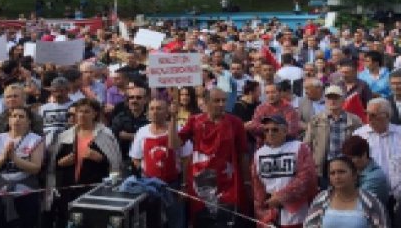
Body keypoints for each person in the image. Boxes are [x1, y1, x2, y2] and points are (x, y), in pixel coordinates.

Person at [169, 87, 249, 225]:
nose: (221, 104)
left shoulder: (235, 122)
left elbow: (243, 154)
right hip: (201, 182)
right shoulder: (195, 120)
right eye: (216, 101)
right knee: (203, 221)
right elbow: (174, 145)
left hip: (228, 182)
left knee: (226, 221)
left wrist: (247, 182)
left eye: (224, 100)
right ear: (206, 102)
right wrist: (173, 118)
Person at [50, 98, 122, 228]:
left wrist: (100, 159)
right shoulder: (65, 136)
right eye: (79, 112)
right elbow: (53, 164)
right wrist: (61, 163)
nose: (82, 115)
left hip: (95, 191)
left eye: (87, 112)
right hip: (68, 190)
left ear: (95, 114)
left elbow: (115, 164)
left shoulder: (105, 135)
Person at [130, 98, 191, 228]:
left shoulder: (178, 129)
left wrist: (184, 185)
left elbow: (186, 159)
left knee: (176, 221)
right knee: (152, 221)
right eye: (152, 109)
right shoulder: (142, 132)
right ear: (147, 113)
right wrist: (144, 178)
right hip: (150, 187)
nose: (155, 112)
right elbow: (136, 158)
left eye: (159, 108)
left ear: (167, 112)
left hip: (173, 185)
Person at [251, 115, 318, 228]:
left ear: (285, 131)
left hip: (297, 211)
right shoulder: (259, 154)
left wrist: (281, 197)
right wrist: (262, 215)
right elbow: (257, 187)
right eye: (266, 130)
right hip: (271, 212)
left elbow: (307, 177)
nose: (270, 133)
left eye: (275, 129)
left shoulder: (299, 148)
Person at [0, 106, 44, 228]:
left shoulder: (36, 139)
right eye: (14, 116)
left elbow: (36, 168)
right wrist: (3, 158)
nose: (17, 119)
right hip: (1, 189)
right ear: (8, 120)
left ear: (29, 121)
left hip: (25, 190)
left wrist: (14, 158)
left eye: (21, 116)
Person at [304, 156, 390, 228]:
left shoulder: (370, 201)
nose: (337, 177)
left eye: (341, 172)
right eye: (332, 173)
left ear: (354, 175)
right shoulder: (321, 199)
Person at [304, 85, 363, 184]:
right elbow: (307, 145)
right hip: (323, 169)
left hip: (347, 167)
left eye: (336, 98)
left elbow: (360, 146)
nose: (332, 101)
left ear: (343, 100)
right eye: (329, 98)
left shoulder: (354, 120)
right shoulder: (316, 120)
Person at [354, 98, 401, 175]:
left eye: (373, 115)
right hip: (371, 184)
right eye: (367, 114)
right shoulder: (359, 135)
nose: (369, 118)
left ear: (387, 115)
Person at [341, 135, 390, 206]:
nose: (348, 162)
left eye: (351, 158)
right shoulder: (354, 171)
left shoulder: (376, 177)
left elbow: (356, 203)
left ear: (364, 155)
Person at [110, 86, 150, 160]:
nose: (134, 100)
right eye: (131, 97)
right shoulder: (119, 117)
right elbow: (113, 136)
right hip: (123, 159)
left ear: (145, 100)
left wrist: (129, 136)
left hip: (146, 159)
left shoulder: (151, 118)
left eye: (138, 98)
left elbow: (152, 137)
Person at [38, 77, 74, 148]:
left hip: (66, 144)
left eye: (61, 91)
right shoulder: (43, 108)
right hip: (46, 145)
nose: (58, 94)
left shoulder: (74, 106)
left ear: (68, 90)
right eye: (55, 91)